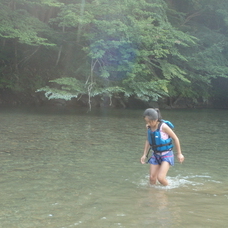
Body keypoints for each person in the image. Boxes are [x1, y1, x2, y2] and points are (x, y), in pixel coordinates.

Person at [140, 108, 184, 186]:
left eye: (150, 121)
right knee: (152, 178)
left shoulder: (163, 127)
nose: (148, 123)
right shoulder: (149, 127)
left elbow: (175, 138)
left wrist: (179, 154)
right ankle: (153, 194)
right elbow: (148, 140)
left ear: (156, 119)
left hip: (166, 155)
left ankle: (169, 190)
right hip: (156, 154)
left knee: (160, 178)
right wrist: (144, 154)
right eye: (146, 121)